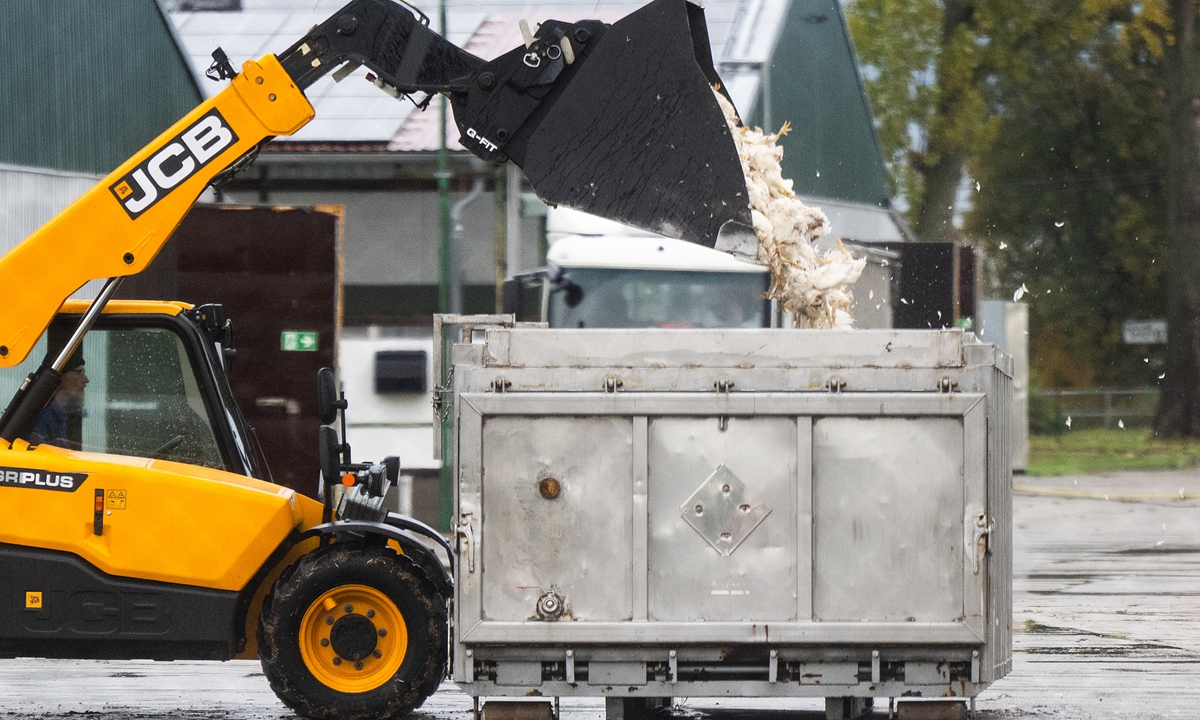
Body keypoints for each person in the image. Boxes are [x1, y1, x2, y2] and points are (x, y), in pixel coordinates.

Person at [29, 352, 88, 449]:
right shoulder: (43, 417)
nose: (86, 380)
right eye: (79, 373)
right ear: (59, 375)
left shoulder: (59, 413)